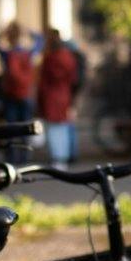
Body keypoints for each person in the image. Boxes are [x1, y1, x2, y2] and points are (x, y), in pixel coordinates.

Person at [37, 30, 81, 164]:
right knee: (63, 127)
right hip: (64, 95)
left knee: (54, 129)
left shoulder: (49, 59)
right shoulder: (68, 58)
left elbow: (44, 81)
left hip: (51, 96)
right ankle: (65, 155)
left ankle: (58, 157)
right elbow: (73, 78)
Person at [0, 23, 39, 124]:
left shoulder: (7, 54)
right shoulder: (28, 54)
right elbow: (40, 41)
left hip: (10, 93)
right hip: (25, 93)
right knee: (27, 125)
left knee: (12, 126)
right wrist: (28, 31)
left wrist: (3, 32)